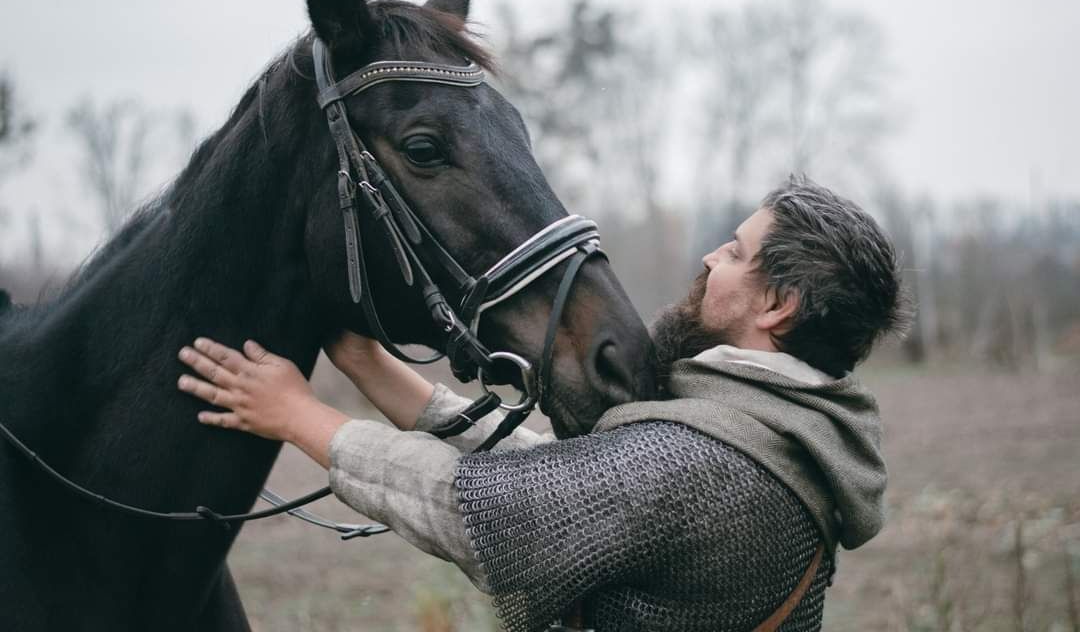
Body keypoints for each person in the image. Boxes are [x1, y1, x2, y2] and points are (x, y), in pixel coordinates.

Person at [177, 175, 910, 632]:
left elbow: (477, 508)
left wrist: (298, 415)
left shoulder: (704, 465)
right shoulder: (783, 434)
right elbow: (562, 473)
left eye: (736, 252)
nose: (712, 258)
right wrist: (374, 369)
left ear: (779, 305)